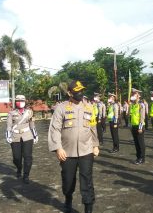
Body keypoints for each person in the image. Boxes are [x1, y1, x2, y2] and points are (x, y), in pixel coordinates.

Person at [48, 80, 100, 213]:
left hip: (86, 150)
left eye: (82, 91)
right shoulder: (61, 108)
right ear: (70, 93)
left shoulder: (89, 107)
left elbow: (93, 127)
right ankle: (68, 198)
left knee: (87, 180)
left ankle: (88, 208)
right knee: (68, 180)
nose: (80, 94)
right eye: (77, 92)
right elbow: (55, 129)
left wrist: (95, 145)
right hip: (67, 152)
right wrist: (58, 148)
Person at [5, 95, 38, 184]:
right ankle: (19, 168)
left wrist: (35, 135)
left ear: (25, 101)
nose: (20, 102)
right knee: (16, 158)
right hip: (15, 137)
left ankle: (26, 175)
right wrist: (8, 136)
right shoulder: (11, 113)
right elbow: (8, 126)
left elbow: (32, 124)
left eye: (22, 100)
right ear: (15, 102)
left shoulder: (29, 112)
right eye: (18, 100)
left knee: (28, 157)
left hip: (27, 136)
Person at [130, 88, 146, 164]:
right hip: (134, 126)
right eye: (132, 94)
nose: (133, 95)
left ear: (138, 95)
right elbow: (132, 116)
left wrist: (140, 127)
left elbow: (142, 117)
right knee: (136, 143)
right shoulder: (133, 105)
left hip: (140, 127)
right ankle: (138, 157)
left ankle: (142, 158)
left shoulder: (141, 105)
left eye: (134, 94)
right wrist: (131, 125)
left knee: (140, 143)